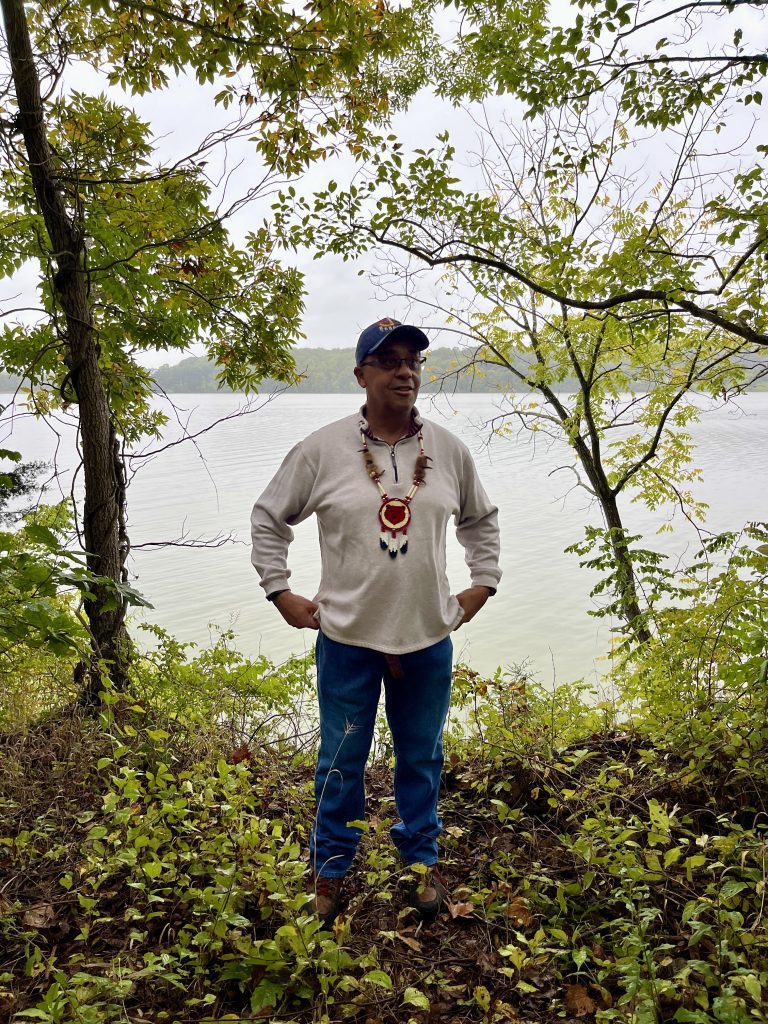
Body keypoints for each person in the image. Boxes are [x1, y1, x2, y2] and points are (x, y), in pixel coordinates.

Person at [250, 318, 501, 926]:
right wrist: (280, 591)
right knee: (340, 760)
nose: (404, 370)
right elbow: (268, 517)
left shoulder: (448, 450)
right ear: (361, 373)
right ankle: (331, 869)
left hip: (426, 640)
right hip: (347, 640)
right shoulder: (323, 448)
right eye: (387, 360)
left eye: (413, 359)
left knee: (421, 759)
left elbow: (481, 522)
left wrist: (480, 586)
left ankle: (420, 863)